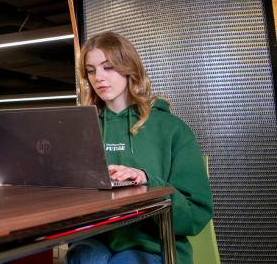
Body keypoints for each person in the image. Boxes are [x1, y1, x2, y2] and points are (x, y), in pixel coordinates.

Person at [65, 32, 214, 264]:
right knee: (83, 256)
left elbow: (196, 215)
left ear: (129, 68)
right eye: (91, 70)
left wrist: (146, 180)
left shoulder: (171, 128)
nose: (98, 78)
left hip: (152, 244)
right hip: (94, 236)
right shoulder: (81, 129)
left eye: (108, 67)